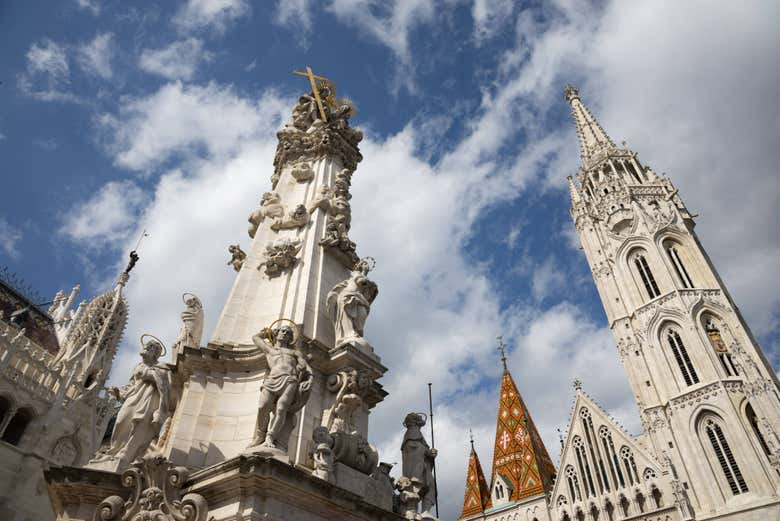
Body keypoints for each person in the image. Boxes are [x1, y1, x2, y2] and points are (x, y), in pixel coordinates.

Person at [90, 337, 171, 467]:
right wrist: (118, 392)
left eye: (150, 347)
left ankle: (125, 455)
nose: (146, 348)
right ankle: (113, 451)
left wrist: (147, 373)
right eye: (146, 346)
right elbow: (132, 386)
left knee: (139, 426)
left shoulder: (162, 367)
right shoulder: (138, 366)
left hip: (147, 401)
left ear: (155, 353)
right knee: (121, 421)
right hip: (133, 399)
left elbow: (165, 386)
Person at [250, 324, 313, 450]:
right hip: (272, 379)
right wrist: (267, 333)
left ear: (291, 338)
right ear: (277, 333)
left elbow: (306, 368)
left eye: (288, 333)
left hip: (290, 380)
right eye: (282, 331)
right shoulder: (270, 350)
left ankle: (271, 436)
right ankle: (260, 434)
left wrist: (310, 379)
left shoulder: (294, 352)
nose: (285, 333)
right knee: (263, 406)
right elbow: (255, 337)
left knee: (281, 409)